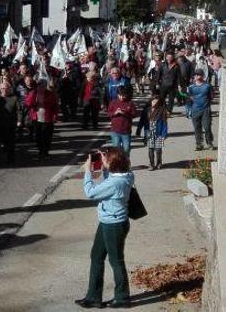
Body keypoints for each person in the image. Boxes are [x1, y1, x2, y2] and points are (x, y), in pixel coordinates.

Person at [76, 147, 134, 309]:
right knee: (96, 256)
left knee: (116, 261)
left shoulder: (116, 183)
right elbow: (111, 177)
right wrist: (105, 165)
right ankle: (93, 297)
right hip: (108, 222)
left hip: (114, 225)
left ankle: (122, 297)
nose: (104, 160)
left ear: (113, 163)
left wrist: (88, 171)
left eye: (106, 158)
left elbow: (90, 192)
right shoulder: (126, 175)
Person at [26, 78, 59, 159]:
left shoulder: (50, 94)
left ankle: (46, 152)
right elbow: (28, 103)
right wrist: (33, 96)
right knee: (38, 136)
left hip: (48, 117)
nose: (41, 87)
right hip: (36, 117)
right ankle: (41, 151)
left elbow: (55, 106)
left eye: (43, 86)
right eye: (39, 86)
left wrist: (55, 116)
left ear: (45, 86)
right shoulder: (33, 93)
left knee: (47, 136)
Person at [0, 81, 19, 165]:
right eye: (2, 88)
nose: (4, 90)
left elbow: (18, 110)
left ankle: (10, 160)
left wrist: (19, 121)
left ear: (9, 89)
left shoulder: (14, 98)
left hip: (10, 124)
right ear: (0, 89)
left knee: (10, 144)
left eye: (6, 88)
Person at [187, 71, 214, 151]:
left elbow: (211, 96)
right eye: (196, 75)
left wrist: (206, 102)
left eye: (199, 74)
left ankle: (209, 143)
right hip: (195, 110)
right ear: (194, 77)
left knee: (207, 127)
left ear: (202, 76)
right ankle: (199, 144)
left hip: (206, 110)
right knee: (197, 128)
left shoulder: (207, 86)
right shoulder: (191, 87)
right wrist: (189, 110)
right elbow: (189, 97)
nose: (197, 76)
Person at [107, 86, 136, 156]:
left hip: (126, 131)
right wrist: (115, 113)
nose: (122, 97)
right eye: (120, 95)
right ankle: (117, 164)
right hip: (115, 131)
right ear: (117, 94)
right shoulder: (113, 102)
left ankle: (125, 164)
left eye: (124, 95)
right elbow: (108, 114)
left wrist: (125, 113)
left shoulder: (130, 103)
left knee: (126, 149)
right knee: (116, 149)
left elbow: (134, 114)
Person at [145, 95, 168, 170]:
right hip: (150, 134)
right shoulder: (147, 110)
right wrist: (139, 129)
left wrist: (164, 134)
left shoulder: (162, 110)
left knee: (158, 150)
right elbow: (143, 121)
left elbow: (165, 123)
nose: (154, 103)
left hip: (159, 133)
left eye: (156, 102)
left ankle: (159, 162)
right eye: (153, 101)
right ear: (151, 101)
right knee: (150, 149)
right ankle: (151, 164)